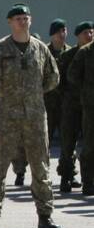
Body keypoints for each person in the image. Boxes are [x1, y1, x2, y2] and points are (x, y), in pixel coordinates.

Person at [0, 4, 61, 228]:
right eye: (18, 19)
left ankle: (45, 217)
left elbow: (53, 78)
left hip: (34, 118)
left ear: (30, 21)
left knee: (41, 168)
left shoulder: (41, 49)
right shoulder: (0, 49)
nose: (23, 22)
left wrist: (33, 95)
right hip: (7, 118)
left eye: (26, 18)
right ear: (10, 22)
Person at [57, 21, 89, 194]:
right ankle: (66, 176)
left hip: (89, 107)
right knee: (68, 143)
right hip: (71, 105)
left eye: (92, 32)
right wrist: (68, 98)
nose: (89, 36)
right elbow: (60, 81)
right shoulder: (69, 55)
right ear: (78, 36)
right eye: (85, 33)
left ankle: (87, 179)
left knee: (90, 144)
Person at [67, 22, 94, 194]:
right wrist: (86, 90)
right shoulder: (85, 53)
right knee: (90, 145)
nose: (90, 35)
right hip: (90, 106)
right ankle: (88, 182)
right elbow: (72, 76)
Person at [45, 19, 68, 150]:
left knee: (68, 139)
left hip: (65, 104)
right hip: (47, 103)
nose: (61, 34)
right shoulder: (44, 52)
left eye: (64, 30)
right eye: (58, 31)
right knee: (45, 139)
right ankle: (43, 168)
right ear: (52, 34)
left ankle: (66, 169)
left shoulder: (72, 52)